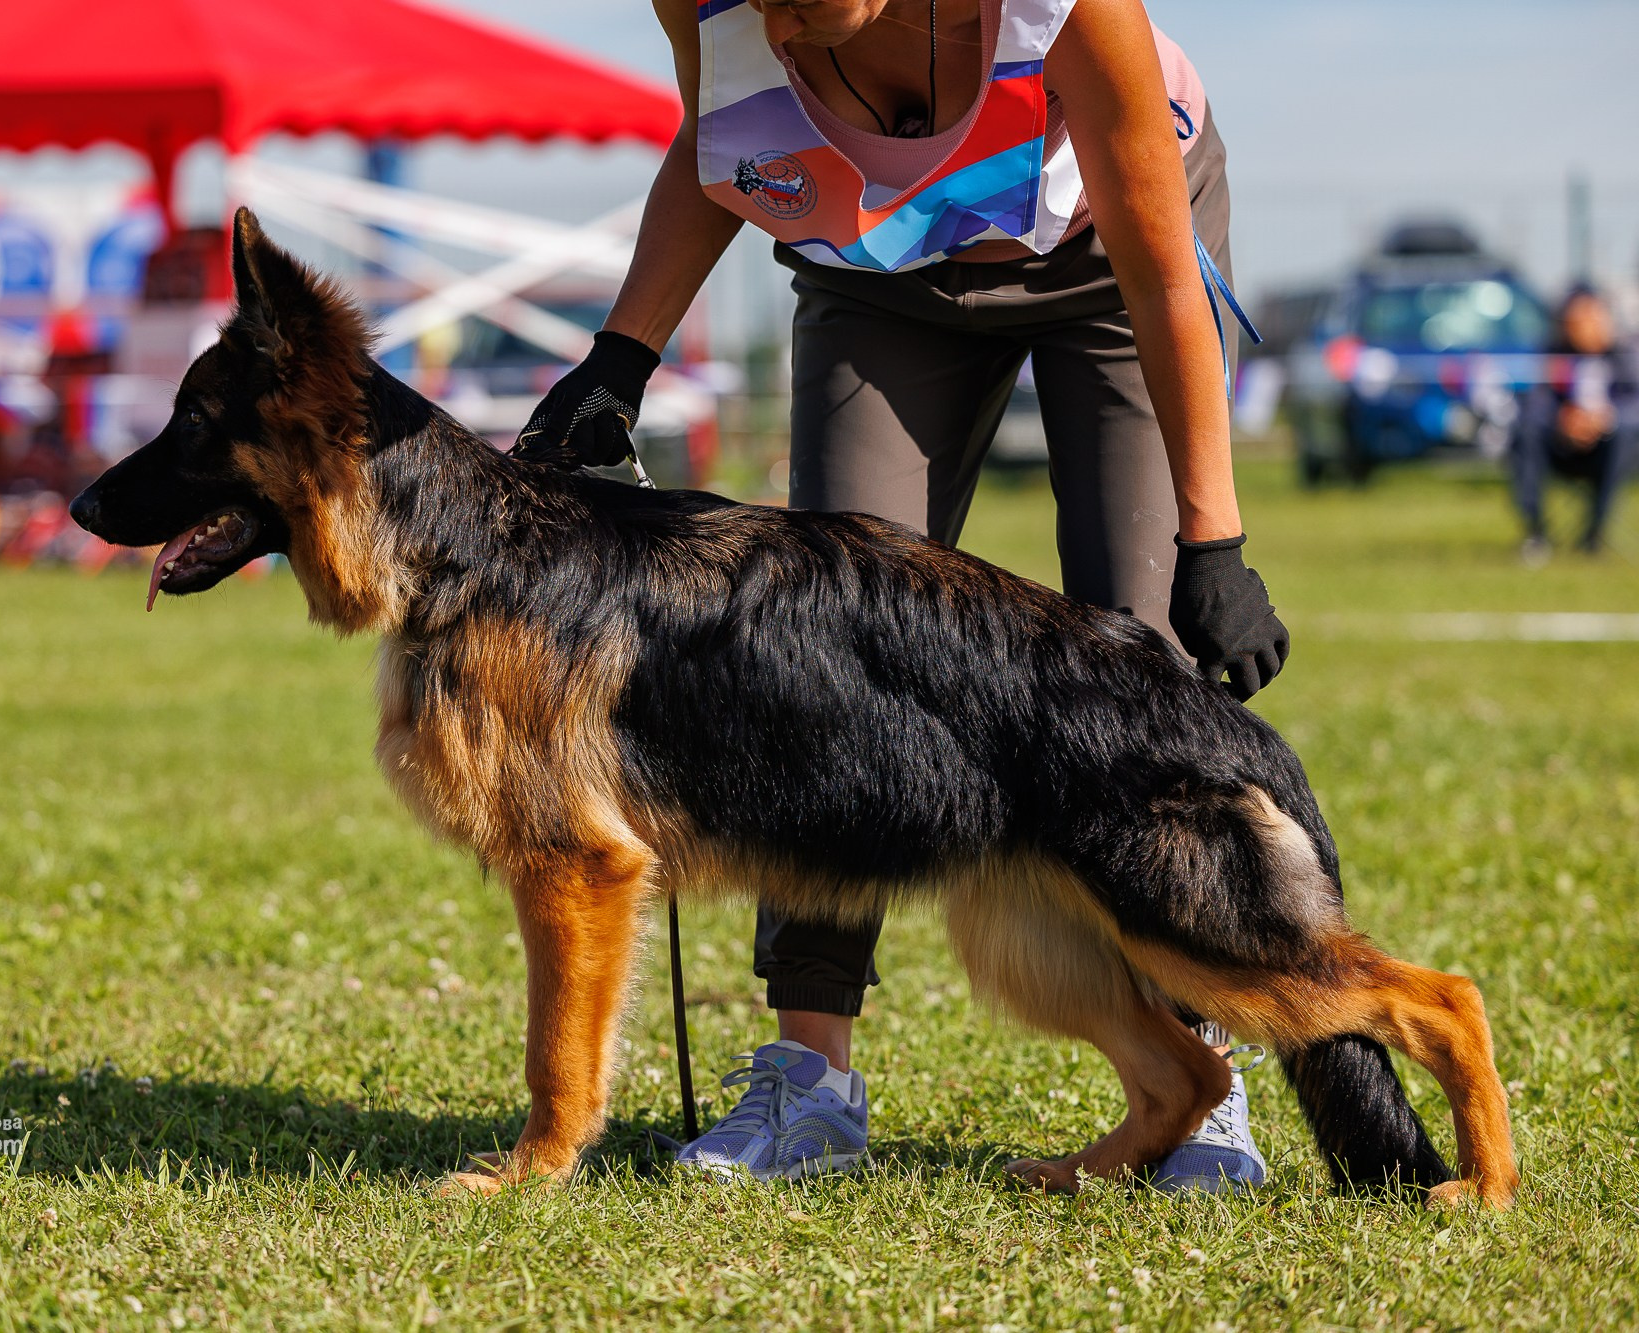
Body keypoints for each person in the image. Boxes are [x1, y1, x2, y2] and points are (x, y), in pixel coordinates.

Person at [515, 0, 1288, 1192]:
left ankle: (1199, 1079)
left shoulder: (1061, 14)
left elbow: (1164, 282)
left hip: (1103, 263)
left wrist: (1212, 538)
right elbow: (723, 139)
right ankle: (808, 1077)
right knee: (813, 662)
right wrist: (619, 356)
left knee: (1136, 666)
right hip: (879, 284)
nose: (775, 15)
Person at [1512, 286, 1634, 560]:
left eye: (1592, 319)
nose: (1585, 328)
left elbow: (1634, 403)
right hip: (1559, 448)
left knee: (1625, 435)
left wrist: (1605, 419)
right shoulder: (1553, 356)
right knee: (1526, 432)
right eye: (1576, 322)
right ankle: (1536, 533)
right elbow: (1532, 401)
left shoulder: (1625, 359)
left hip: (1606, 449)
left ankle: (1595, 534)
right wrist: (1561, 421)